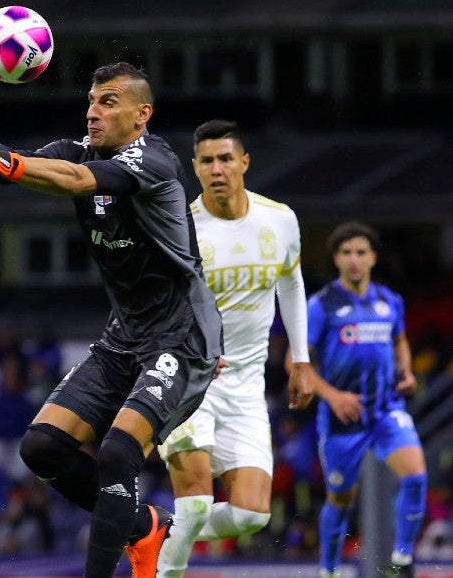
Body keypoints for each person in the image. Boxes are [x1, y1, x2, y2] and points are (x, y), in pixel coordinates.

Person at [0, 61, 223, 578]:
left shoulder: (155, 161)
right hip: (124, 336)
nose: (92, 112)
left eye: (108, 102)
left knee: (120, 452)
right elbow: (24, 167)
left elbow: (76, 181)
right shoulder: (77, 150)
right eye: (92, 101)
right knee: (43, 448)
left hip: (181, 336)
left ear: (142, 114)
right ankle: (144, 527)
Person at [155, 120, 316, 576]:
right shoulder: (179, 228)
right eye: (207, 161)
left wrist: (300, 358)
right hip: (190, 381)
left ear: (244, 162)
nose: (217, 169)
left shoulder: (279, 219)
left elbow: (291, 282)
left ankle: (150, 528)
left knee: (251, 514)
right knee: (197, 505)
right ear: (195, 168)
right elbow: (157, 306)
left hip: (246, 386)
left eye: (226, 158)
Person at [307, 222, 426, 578]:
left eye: (361, 252)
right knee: (340, 500)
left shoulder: (390, 301)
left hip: (386, 409)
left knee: (417, 476)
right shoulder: (321, 305)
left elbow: (400, 340)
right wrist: (333, 396)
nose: (354, 260)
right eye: (346, 253)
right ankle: (328, 570)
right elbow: (298, 364)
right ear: (336, 259)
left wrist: (405, 372)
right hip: (343, 419)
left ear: (373, 257)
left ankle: (401, 559)